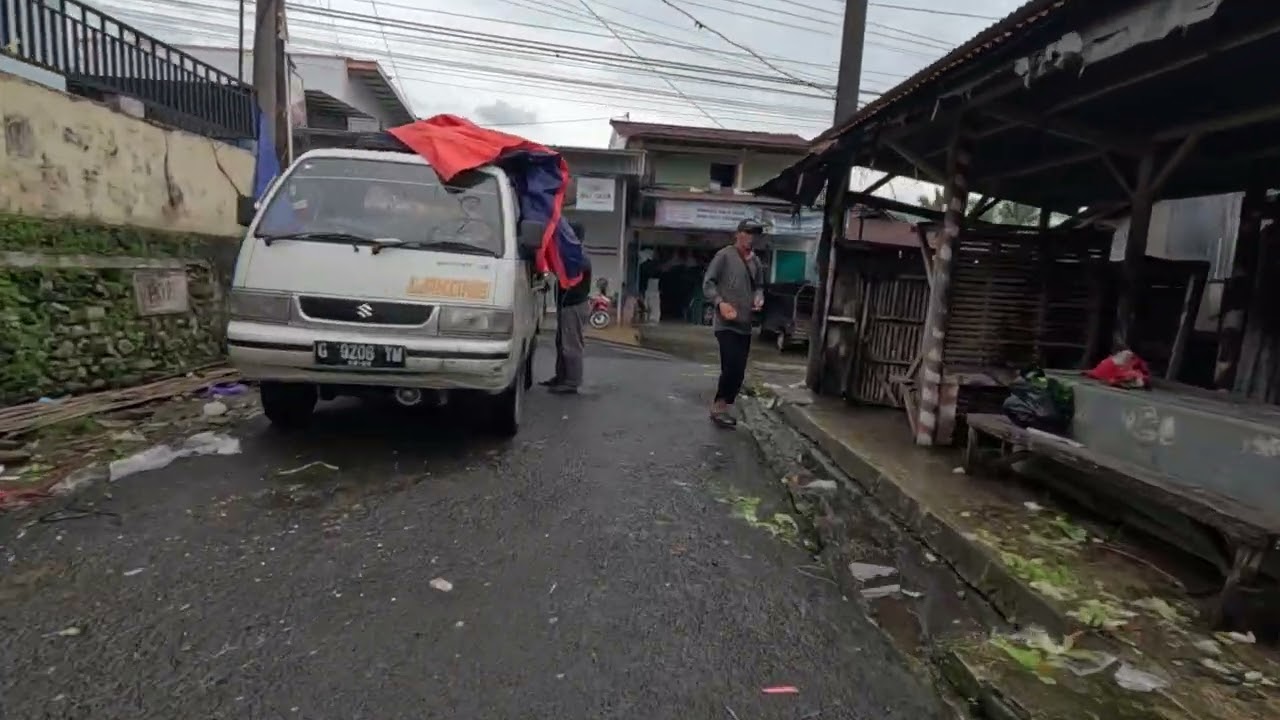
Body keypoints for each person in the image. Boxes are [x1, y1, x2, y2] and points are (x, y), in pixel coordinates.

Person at [702, 218, 765, 428]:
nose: (750, 238)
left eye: (754, 234)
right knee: (729, 366)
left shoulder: (756, 262)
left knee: (739, 371)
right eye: (747, 233)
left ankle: (725, 404)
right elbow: (708, 283)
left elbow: (759, 286)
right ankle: (718, 407)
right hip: (725, 323)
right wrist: (719, 303)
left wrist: (759, 298)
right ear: (737, 234)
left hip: (745, 324)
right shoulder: (724, 256)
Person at [541, 221, 593, 394]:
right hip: (568, 305)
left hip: (574, 305)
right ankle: (561, 377)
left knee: (571, 344)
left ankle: (572, 382)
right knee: (561, 342)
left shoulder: (579, 256)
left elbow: (571, 276)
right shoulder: (573, 254)